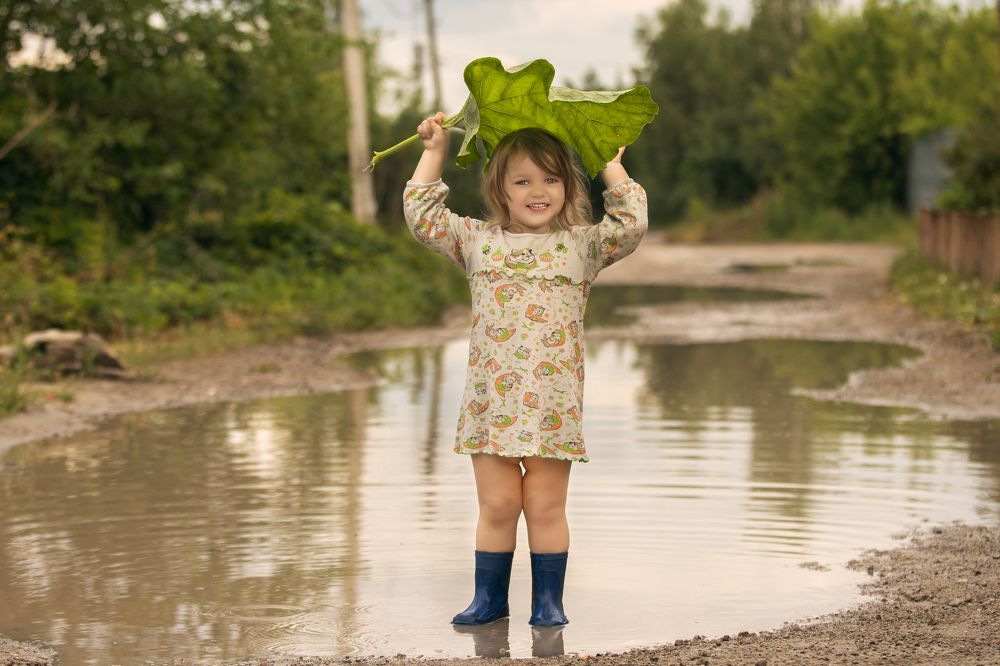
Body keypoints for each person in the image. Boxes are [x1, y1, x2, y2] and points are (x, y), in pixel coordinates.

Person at [402, 111, 648, 627]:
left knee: (543, 507)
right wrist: (434, 151)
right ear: (501, 189)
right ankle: (489, 600)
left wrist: (608, 164)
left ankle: (548, 603)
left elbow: (631, 225)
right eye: (524, 180)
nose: (539, 191)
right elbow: (423, 216)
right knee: (496, 506)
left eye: (551, 179)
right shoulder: (477, 242)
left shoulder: (582, 246)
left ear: (567, 185)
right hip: (491, 407)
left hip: (553, 406)